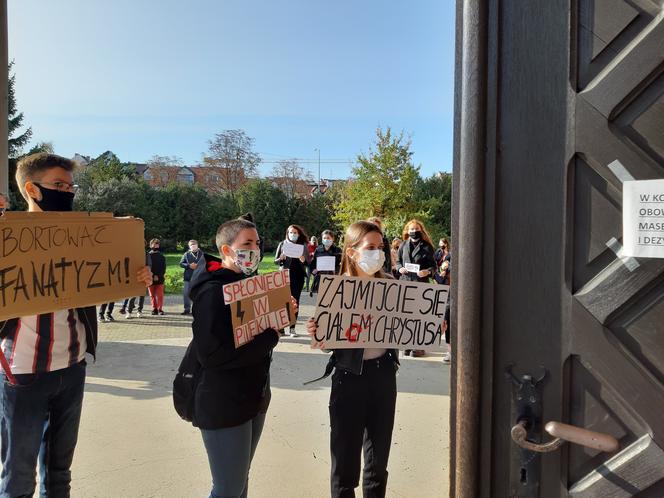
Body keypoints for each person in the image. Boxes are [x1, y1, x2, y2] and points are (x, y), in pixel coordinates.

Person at [0, 152, 152, 497]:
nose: (67, 192)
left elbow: (105, 280)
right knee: (18, 477)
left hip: (72, 367)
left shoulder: (85, 237)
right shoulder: (5, 239)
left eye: (70, 186)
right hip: (22, 372)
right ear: (31, 189)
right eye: (58, 185)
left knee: (59, 473)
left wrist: (135, 276)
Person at [189, 218, 290, 498]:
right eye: (246, 244)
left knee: (239, 482)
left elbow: (252, 337)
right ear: (226, 250)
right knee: (227, 489)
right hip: (223, 403)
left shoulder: (249, 286)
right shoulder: (211, 293)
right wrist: (271, 336)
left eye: (257, 243)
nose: (255, 249)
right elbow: (212, 355)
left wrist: (280, 314)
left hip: (253, 398)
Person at [306, 221, 399, 498]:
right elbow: (327, 344)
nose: (378, 253)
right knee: (345, 463)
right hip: (348, 378)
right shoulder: (337, 289)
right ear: (352, 251)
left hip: (383, 377)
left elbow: (406, 329)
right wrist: (318, 332)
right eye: (370, 247)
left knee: (377, 462)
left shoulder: (391, 286)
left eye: (380, 247)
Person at [396, 219, 437, 358]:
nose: (413, 231)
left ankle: (418, 345)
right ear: (407, 231)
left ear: (421, 230)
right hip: (405, 283)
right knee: (406, 316)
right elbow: (397, 262)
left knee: (419, 317)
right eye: (411, 229)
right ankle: (407, 344)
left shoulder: (427, 247)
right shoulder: (403, 245)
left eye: (416, 229)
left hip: (421, 284)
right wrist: (400, 268)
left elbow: (433, 267)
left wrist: (427, 272)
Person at [274, 225, 311, 337]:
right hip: (284, 276)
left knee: (295, 302)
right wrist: (281, 258)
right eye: (291, 232)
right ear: (287, 233)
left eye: (295, 232)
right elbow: (275, 261)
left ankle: (292, 328)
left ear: (299, 234)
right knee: (282, 302)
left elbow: (308, 263)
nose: (293, 234)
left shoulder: (303, 246)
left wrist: (303, 260)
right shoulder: (282, 244)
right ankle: (281, 329)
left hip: (298, 277)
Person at [309, 230, 342, 295]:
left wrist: (337, 271)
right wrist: (313, 270)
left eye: (328, 238)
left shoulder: (338, 250)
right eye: (324, 238)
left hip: (333, 279)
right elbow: (313, 263)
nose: (326, 240)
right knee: (321, 300)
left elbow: (342, 264)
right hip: (321, 279)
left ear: (332, 239)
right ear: (322, 239)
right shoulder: (318, 250)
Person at [179, 239, 204, 315]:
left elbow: (206, 263)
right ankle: (187, 309)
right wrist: (189, 265)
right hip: (188, 277)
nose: (193, 246)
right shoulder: (186, 254)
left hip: (199, 278)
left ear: (197, 245)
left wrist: (198, 266)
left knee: (198, 294)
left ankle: (197, 309)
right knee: (186, 294)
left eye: (194, 244)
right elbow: (181, 263)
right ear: (189, 246)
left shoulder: (202, 254)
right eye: (191, 245)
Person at [148, 238, 167, 315]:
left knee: (160, 295)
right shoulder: (148, 255)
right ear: (150, 245)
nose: (155, 245)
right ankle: (154, 308)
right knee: (152, 295)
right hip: (150, 277)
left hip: (160, 278)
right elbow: (147, 266)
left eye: (157, 244)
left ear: (158, 245)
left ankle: (160, 309)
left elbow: (163, 268)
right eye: (153, 244)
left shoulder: (161, 256)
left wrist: (158, 276)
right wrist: (152, 275)